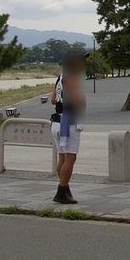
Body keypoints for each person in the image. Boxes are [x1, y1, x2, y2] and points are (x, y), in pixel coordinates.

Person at [50, 53, 87, 204]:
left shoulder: (60, 78)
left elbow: (53, 100)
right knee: (71, 158)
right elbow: (78, 101)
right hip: (68, 121)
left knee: (63, 157)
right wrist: (82, 101)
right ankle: (61, 190)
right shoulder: (72, 78)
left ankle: (65, 189)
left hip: (57, 121)